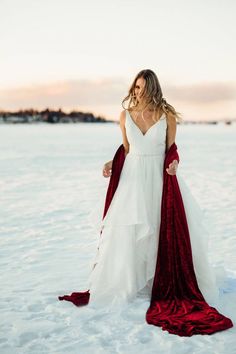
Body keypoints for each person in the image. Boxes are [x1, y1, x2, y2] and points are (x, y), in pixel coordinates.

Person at [59, 69, 233, 336]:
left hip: (159, 178)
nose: (138, 92)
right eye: (136, 87)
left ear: (153, 88)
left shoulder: (167, 116)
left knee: (158, 226)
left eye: (143, 87)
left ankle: (159, 282)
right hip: (132, 179)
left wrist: (174, 163)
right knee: (130, 231)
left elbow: (171, 149)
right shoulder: (124, 115)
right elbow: (127, 149)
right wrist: (111, 162)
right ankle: (132, 282)